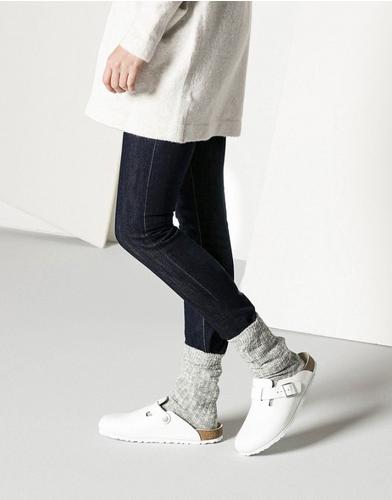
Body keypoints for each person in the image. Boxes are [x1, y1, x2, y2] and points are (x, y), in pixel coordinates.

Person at [85, 1, 316, 456]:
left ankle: (275, 364)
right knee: (201, 223)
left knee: (141, 227)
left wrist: (139, 38)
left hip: (177, 44)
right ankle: (196, 403)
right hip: (205, 42)